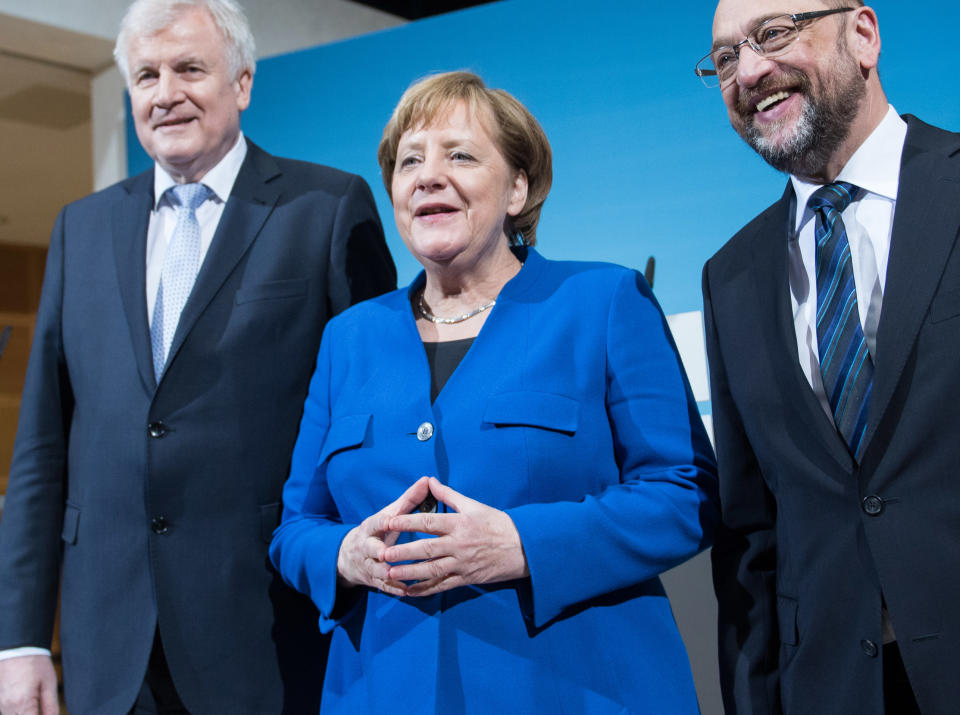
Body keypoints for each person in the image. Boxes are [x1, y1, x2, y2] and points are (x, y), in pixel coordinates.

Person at [269, 70, 718, 713]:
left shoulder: (601, 302)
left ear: (517, 188)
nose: (427, 175)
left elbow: (685, 494)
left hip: (576, 688)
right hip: (380, 690)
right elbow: (295, 529)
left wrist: (523, 545)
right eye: (409, 161)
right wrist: (345, 555)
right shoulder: (349, 339)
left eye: (459, 155)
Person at [0, 0, 396, 712]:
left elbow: (372, 421)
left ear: (242, 83)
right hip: (108, 646)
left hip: (269, 629)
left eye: (189, 68)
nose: (166, 92)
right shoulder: (80, 229)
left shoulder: (326, 207)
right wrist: (21, 639)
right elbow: (41, 451)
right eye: (146, 75)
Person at [697, 1, 960, 712]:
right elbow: (751, 538)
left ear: (864, 35)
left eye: (774, 34)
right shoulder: (731, 275)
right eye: (725, 58)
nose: (748, 70)